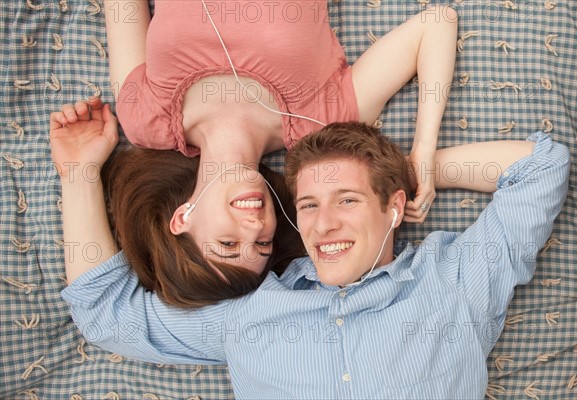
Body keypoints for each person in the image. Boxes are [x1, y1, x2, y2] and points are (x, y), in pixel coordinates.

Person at [54, 114, 570, 398]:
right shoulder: (249, 311)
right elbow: (106, 315)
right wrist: (78, 174)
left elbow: (540, 167)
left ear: (393, 208)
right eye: (308, 205)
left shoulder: (456, 280)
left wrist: (410, 176)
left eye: (346, 200)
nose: (322, 224)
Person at [55, 0, 458, 304]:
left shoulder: (145, 122)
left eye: (228, 245)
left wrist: (79, 171)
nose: (254, 230)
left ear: (182, 218)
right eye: (263, 247)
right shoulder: (319, 122)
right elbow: (436, 25)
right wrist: (423, 152)